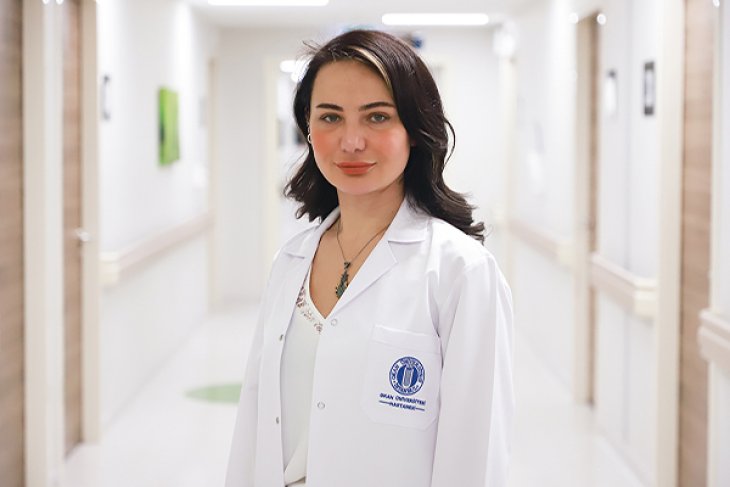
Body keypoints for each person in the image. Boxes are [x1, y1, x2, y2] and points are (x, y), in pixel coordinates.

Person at [225, 29, 514, 487]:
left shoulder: (460, 272)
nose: (352, 141)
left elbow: (474, 455)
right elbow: (255, 421)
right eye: (330, 117)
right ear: (308, 130)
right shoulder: (291, 261)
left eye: (377, 117)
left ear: (415, 130)